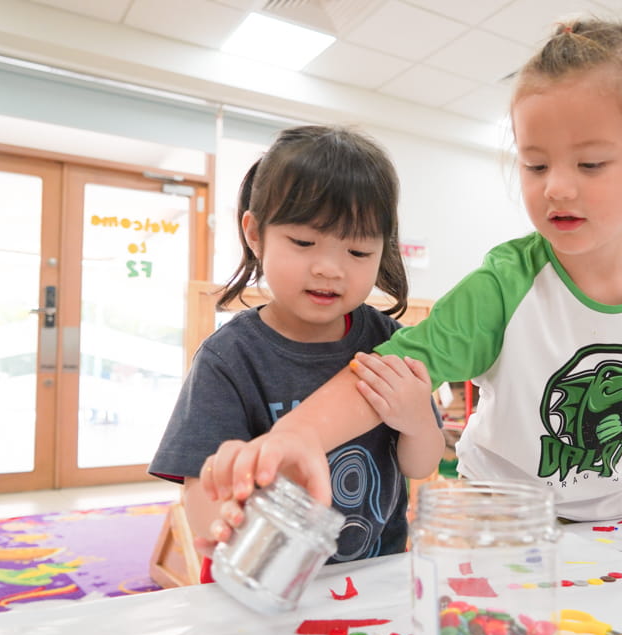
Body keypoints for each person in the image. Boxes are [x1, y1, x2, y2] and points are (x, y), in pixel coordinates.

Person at [199, 17, 622, 548]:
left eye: (590, 164)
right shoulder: (502, 286)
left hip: (618, 513)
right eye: (535, 165)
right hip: (495, 517)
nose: (558, 188)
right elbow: (387, 373)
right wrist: (296, 436)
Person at [149, 125, 445, 572]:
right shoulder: (230, 356)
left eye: (359, 252)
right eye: (304, 243)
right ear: (254, 233)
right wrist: (224, 524)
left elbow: (420, 466)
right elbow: (202, 486)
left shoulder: (388, 342)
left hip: (374, 575)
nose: (329, 268)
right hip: (267, 575)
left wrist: (418, 421)